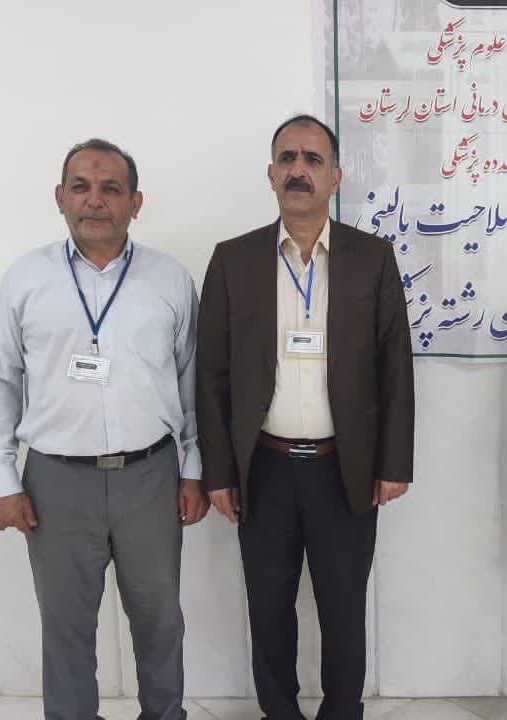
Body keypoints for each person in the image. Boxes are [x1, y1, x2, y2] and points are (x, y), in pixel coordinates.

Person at [0, 138, 207, 720]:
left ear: (136, 203)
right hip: (56, 482)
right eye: (81, 187)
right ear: (60, 198)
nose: (95, 201)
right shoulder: (25, 279)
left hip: (150, 478)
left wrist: (194, 469)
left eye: (111, 189)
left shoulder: (169, 279)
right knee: (66, 627)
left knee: (160, 620)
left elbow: (193, 383)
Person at [196, 114, 414, 720]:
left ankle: (342, 711)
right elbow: (211, 375)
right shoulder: (233, 260)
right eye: (288, 158)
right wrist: (219, 473)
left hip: (345, 467)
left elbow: (395, 366)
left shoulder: (371, 258)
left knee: (343, 609)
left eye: (313, 160)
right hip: (262, 469)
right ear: (270, 174)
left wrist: (394, 463)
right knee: (268, 609)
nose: (299, 170)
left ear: (335, 177)